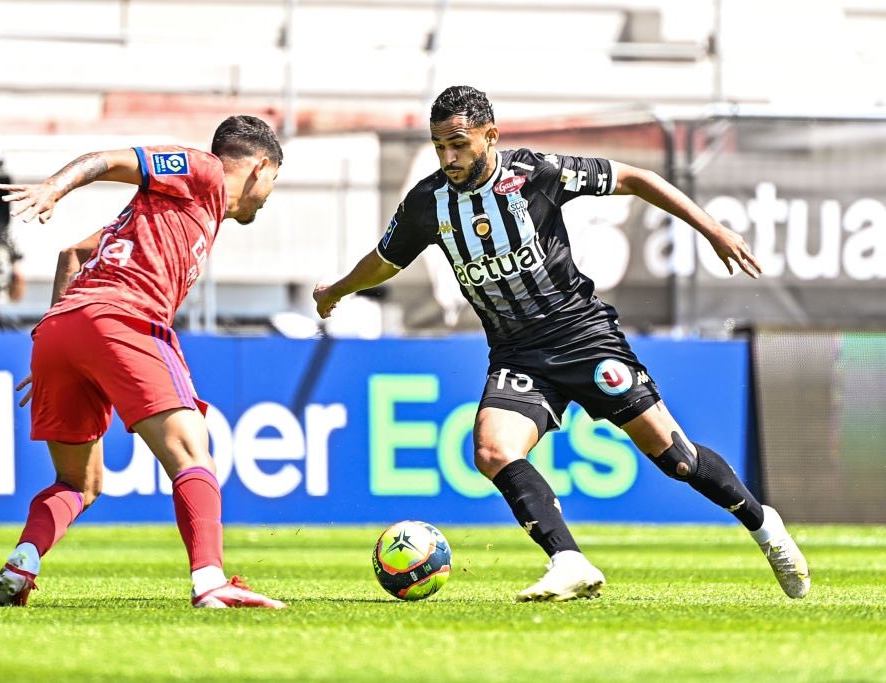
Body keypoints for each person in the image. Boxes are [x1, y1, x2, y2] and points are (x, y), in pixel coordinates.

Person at [314, 86, 810, 602]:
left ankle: (764, 526)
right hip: (516, 352)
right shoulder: (428, 203)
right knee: (491, 449)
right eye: (439, 145)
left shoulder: (538, 173)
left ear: (491, 136)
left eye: (458, 144)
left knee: (676, 458)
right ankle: (569, 560)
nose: (448, 157)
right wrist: (338, 289)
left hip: (583, 337)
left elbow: (637, 179)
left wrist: (712, 229)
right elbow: (385, 259)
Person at [0, 115, 287, 609]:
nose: (269, 193)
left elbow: (73, 254)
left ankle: (22, 563)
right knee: (193, 453)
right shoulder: (206, 171)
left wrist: (57, 332)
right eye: (274, 179)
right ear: (260, 167)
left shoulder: (166, 214)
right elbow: (113, 160)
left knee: (79, 483)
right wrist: (53, 190)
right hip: (124, 319)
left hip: (62, 331)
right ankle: (210, 581)